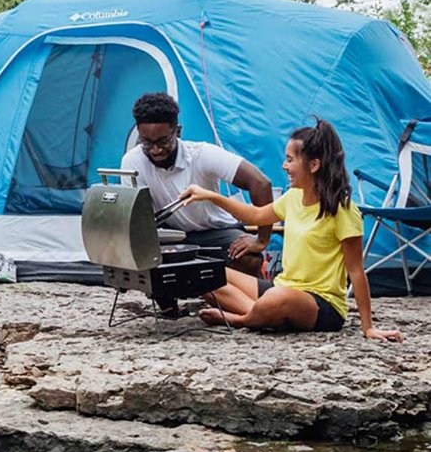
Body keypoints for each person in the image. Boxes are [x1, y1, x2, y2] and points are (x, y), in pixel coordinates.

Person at [179, 118, 402, 340]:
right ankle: (260, 313)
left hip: (320, 303)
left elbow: (356, 271)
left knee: (277, 298)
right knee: (205, 276)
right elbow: (255, 215)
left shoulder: (342, 210)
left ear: (314, 165)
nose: (284, 166)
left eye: (290, 160)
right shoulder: (293, 197)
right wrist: (210, 196)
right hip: (282, 288)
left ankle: (241, 319)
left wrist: (368, 327)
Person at [122, 92, 274, 276]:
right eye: (146, 142)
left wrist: (261, 239)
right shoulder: (132, 161)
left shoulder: (202, 155)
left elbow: (260, 183)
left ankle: (243, 298)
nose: (155, 150)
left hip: (216, 231)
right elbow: (136, 217)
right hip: (171, 236)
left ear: (177, 132)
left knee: (249, 258)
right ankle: (168, 303)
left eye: (163, 142)